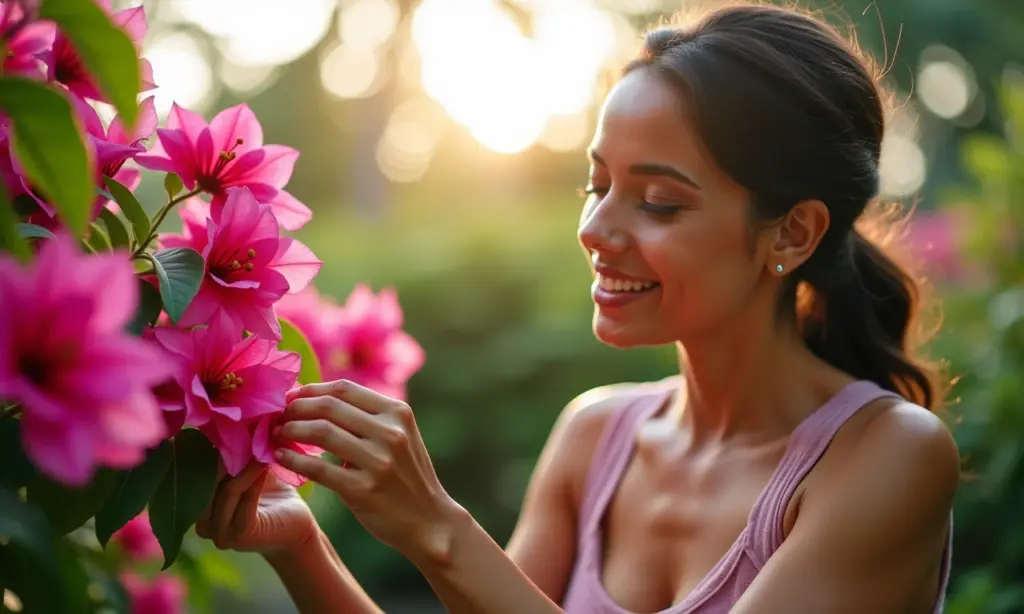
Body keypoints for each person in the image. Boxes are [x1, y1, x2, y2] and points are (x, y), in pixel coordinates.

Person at [194, 3, 960, 613]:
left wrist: (437, 526)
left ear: (791, 232)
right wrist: (302, 549)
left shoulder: (888, 457)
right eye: (597, 187)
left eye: (659, 202)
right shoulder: (597, 437)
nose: (595, 230)